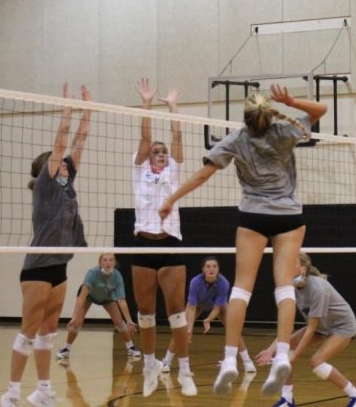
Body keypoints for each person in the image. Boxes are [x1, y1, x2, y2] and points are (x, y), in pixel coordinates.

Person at [159, 83, 326, 397]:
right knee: (285, 287)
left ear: (246, 117)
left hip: (253, 217)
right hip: (288, 216)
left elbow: (200, 175)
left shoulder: (235, 140)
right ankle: (280, 356)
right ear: (268, 113)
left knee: (240, 288)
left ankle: (228, 360)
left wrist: (171, 199)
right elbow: (320, 111)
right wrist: (290, 101)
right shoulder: (285, 131)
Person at [0, 83, 92, 407]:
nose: (67, 165)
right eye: (61, 164)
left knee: (49, 333)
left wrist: (88, 110)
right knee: (28, 331)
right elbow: (61, 143)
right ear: (48, 172)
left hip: (59, 269)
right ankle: (11, 392)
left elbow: (78, 144)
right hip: (37, 269)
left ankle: (42, 390)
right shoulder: (46, 188)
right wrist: (67, 109)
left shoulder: (67, 189)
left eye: (67, 165)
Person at [130, 77, 196, 397]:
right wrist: (146, 104)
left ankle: (184, 370)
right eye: (155, 150)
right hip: (143, 242)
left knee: (176, 313)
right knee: (145, 315)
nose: (159, 152)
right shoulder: (139, 168)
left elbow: (177, 135)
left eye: (162, 151)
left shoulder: (173, 169)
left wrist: (172, 108)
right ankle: (148, 367)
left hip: (170, 243)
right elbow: (145, 137)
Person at [255, 252, 356, 407]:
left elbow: (311, 329)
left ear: (303, 268)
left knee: (316, 362)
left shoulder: (317, 289)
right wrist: (270, 350)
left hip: (342, 326)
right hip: (323, 325)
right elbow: (286, 327)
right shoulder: (290, 289)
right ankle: (287, 400)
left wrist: (294, 357)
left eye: (292, 264)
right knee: (284, 349)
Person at [161, 256, 257, 374]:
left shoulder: (224, 283)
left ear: (218, 269)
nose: (211, 269)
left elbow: (217, 308)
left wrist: (208, 320)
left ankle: (247, 362)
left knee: (233, 330)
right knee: (181, 329)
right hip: (197, 306)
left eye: (214, 266)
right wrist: (189, 328)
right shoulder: (195, 282)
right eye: (208, 266)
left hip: (219, 307)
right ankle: (166, 362)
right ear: (203, 269)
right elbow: (191, 307)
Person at [55, 253, 141, 361]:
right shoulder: (93, 273)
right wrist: (74, 317)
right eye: (105, 260)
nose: (108, 262)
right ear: (100, 263)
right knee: (76, 323)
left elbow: (121, 300)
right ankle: (66, 349)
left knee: (120, 323)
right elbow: (81, 298)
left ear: (114, 263)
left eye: (110, 260)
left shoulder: (117, 276)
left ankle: (130, 347)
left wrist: (128, 320)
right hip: (89, 297)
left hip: (107, 298)